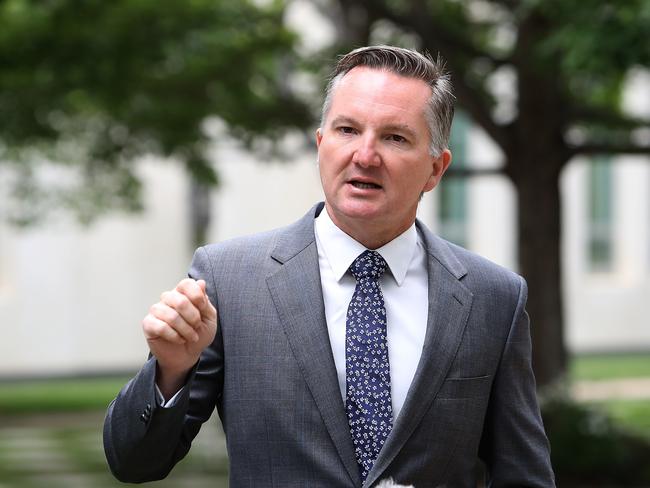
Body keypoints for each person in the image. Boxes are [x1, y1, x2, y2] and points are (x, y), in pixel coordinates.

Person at [104, 45, 555, 487]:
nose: (365, 155)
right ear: (321, 144)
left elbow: (525, 474)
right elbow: (134, 462)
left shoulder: (493, 297)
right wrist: (170, 372)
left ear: (436, 169)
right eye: (347, 130)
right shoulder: (228, 280)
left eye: (395, 137)